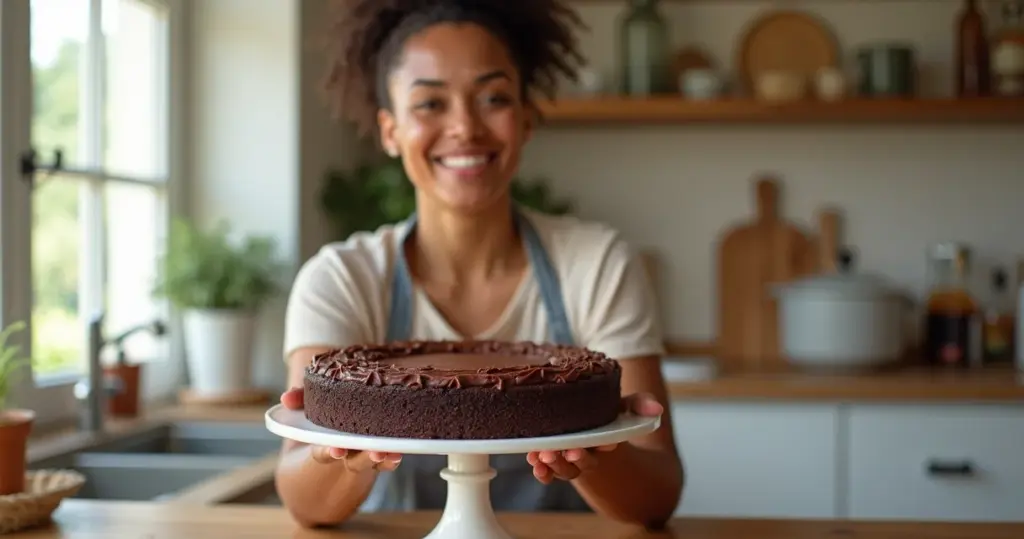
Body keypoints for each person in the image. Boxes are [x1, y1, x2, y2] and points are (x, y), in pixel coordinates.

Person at [274, 0, 684, 530]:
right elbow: (302, 501)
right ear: (390, 130)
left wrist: (597, 455)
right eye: (429, 104)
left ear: (527, 118)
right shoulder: (340, 279)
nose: (465, 127)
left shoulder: (598, 265)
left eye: (493, 97)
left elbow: (658, 496)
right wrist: (339, 454)